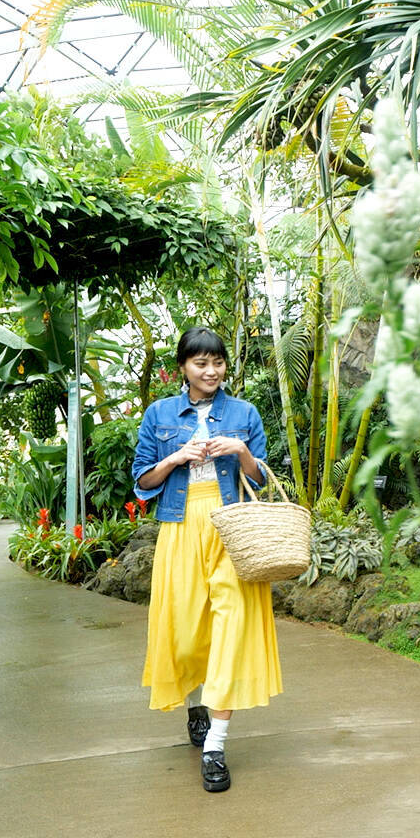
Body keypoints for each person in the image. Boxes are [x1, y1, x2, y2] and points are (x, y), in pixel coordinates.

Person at [132, 327, 282, 791]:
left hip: (231, 527)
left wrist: (241, 451)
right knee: (183, 632)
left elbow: (261, 475)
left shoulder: (244, 412)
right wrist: (175, 456)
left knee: (233, 624)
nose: (211, 370)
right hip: (180, 526)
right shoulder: (159, 414)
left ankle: (215, 744)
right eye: (200, 363)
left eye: (216, 362)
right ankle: (195, 705)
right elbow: (142, 481)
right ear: (183, 368)